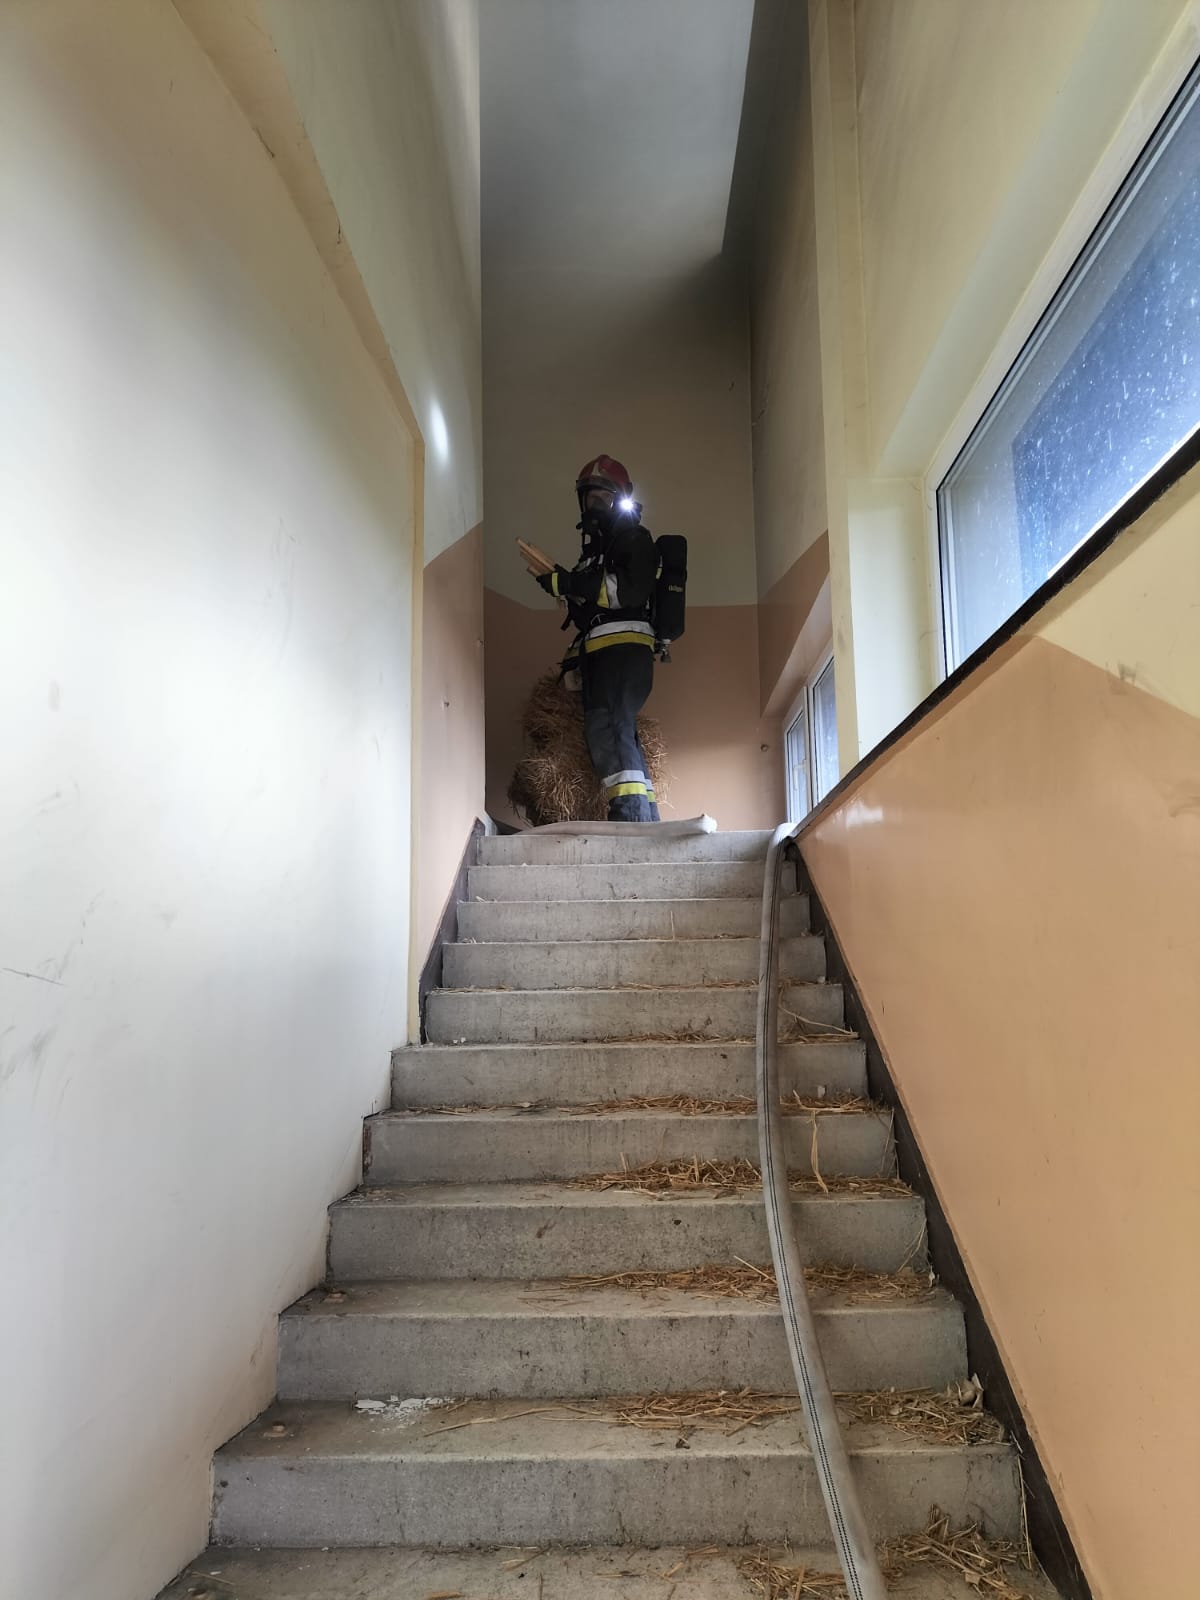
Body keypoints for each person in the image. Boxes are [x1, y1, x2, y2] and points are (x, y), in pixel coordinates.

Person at [533, 455, 661, 822]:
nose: (596, 505)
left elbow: (625, 592)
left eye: (604, 497)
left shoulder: (634, 539)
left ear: (621, 498)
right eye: (590, 497)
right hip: (602, 654)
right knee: (619, 730)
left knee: (611, 727)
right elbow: (590, 605)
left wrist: (570, 582)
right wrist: (564, 586)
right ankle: (645, 817)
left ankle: (630, 816)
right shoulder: (596, 553)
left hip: (623, 651)